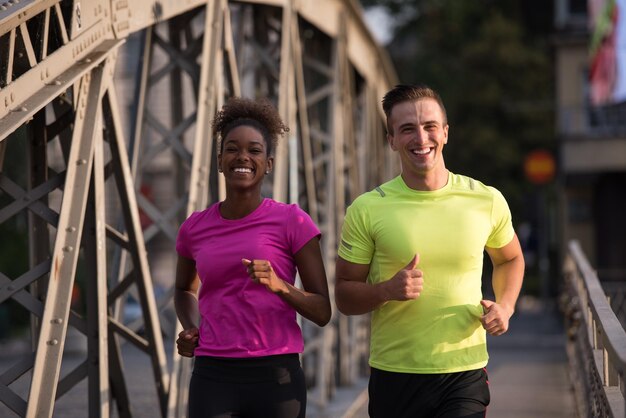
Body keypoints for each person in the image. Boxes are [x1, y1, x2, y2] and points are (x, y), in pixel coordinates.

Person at [335, 84, 525, 418]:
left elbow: (509, 258)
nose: (421, 139)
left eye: (429, 127)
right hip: (395, 374)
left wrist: (506, 306)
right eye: (407, 129)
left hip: (464, 372)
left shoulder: (486, 199)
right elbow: (345, 296)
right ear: (392, 139)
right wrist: (386, 290)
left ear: (446, 133)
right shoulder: (367, 209)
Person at [174, 97, 332, 418]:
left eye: (254, 150)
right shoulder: (195, 226)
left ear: (269, 163)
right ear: (219, 161)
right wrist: (191, 328)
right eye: (232, 149)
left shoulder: (293, 221)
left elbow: (322, 311)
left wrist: (280, 285)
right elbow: (183, 290)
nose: (242, 157)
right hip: (213, 374)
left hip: (276, 376)